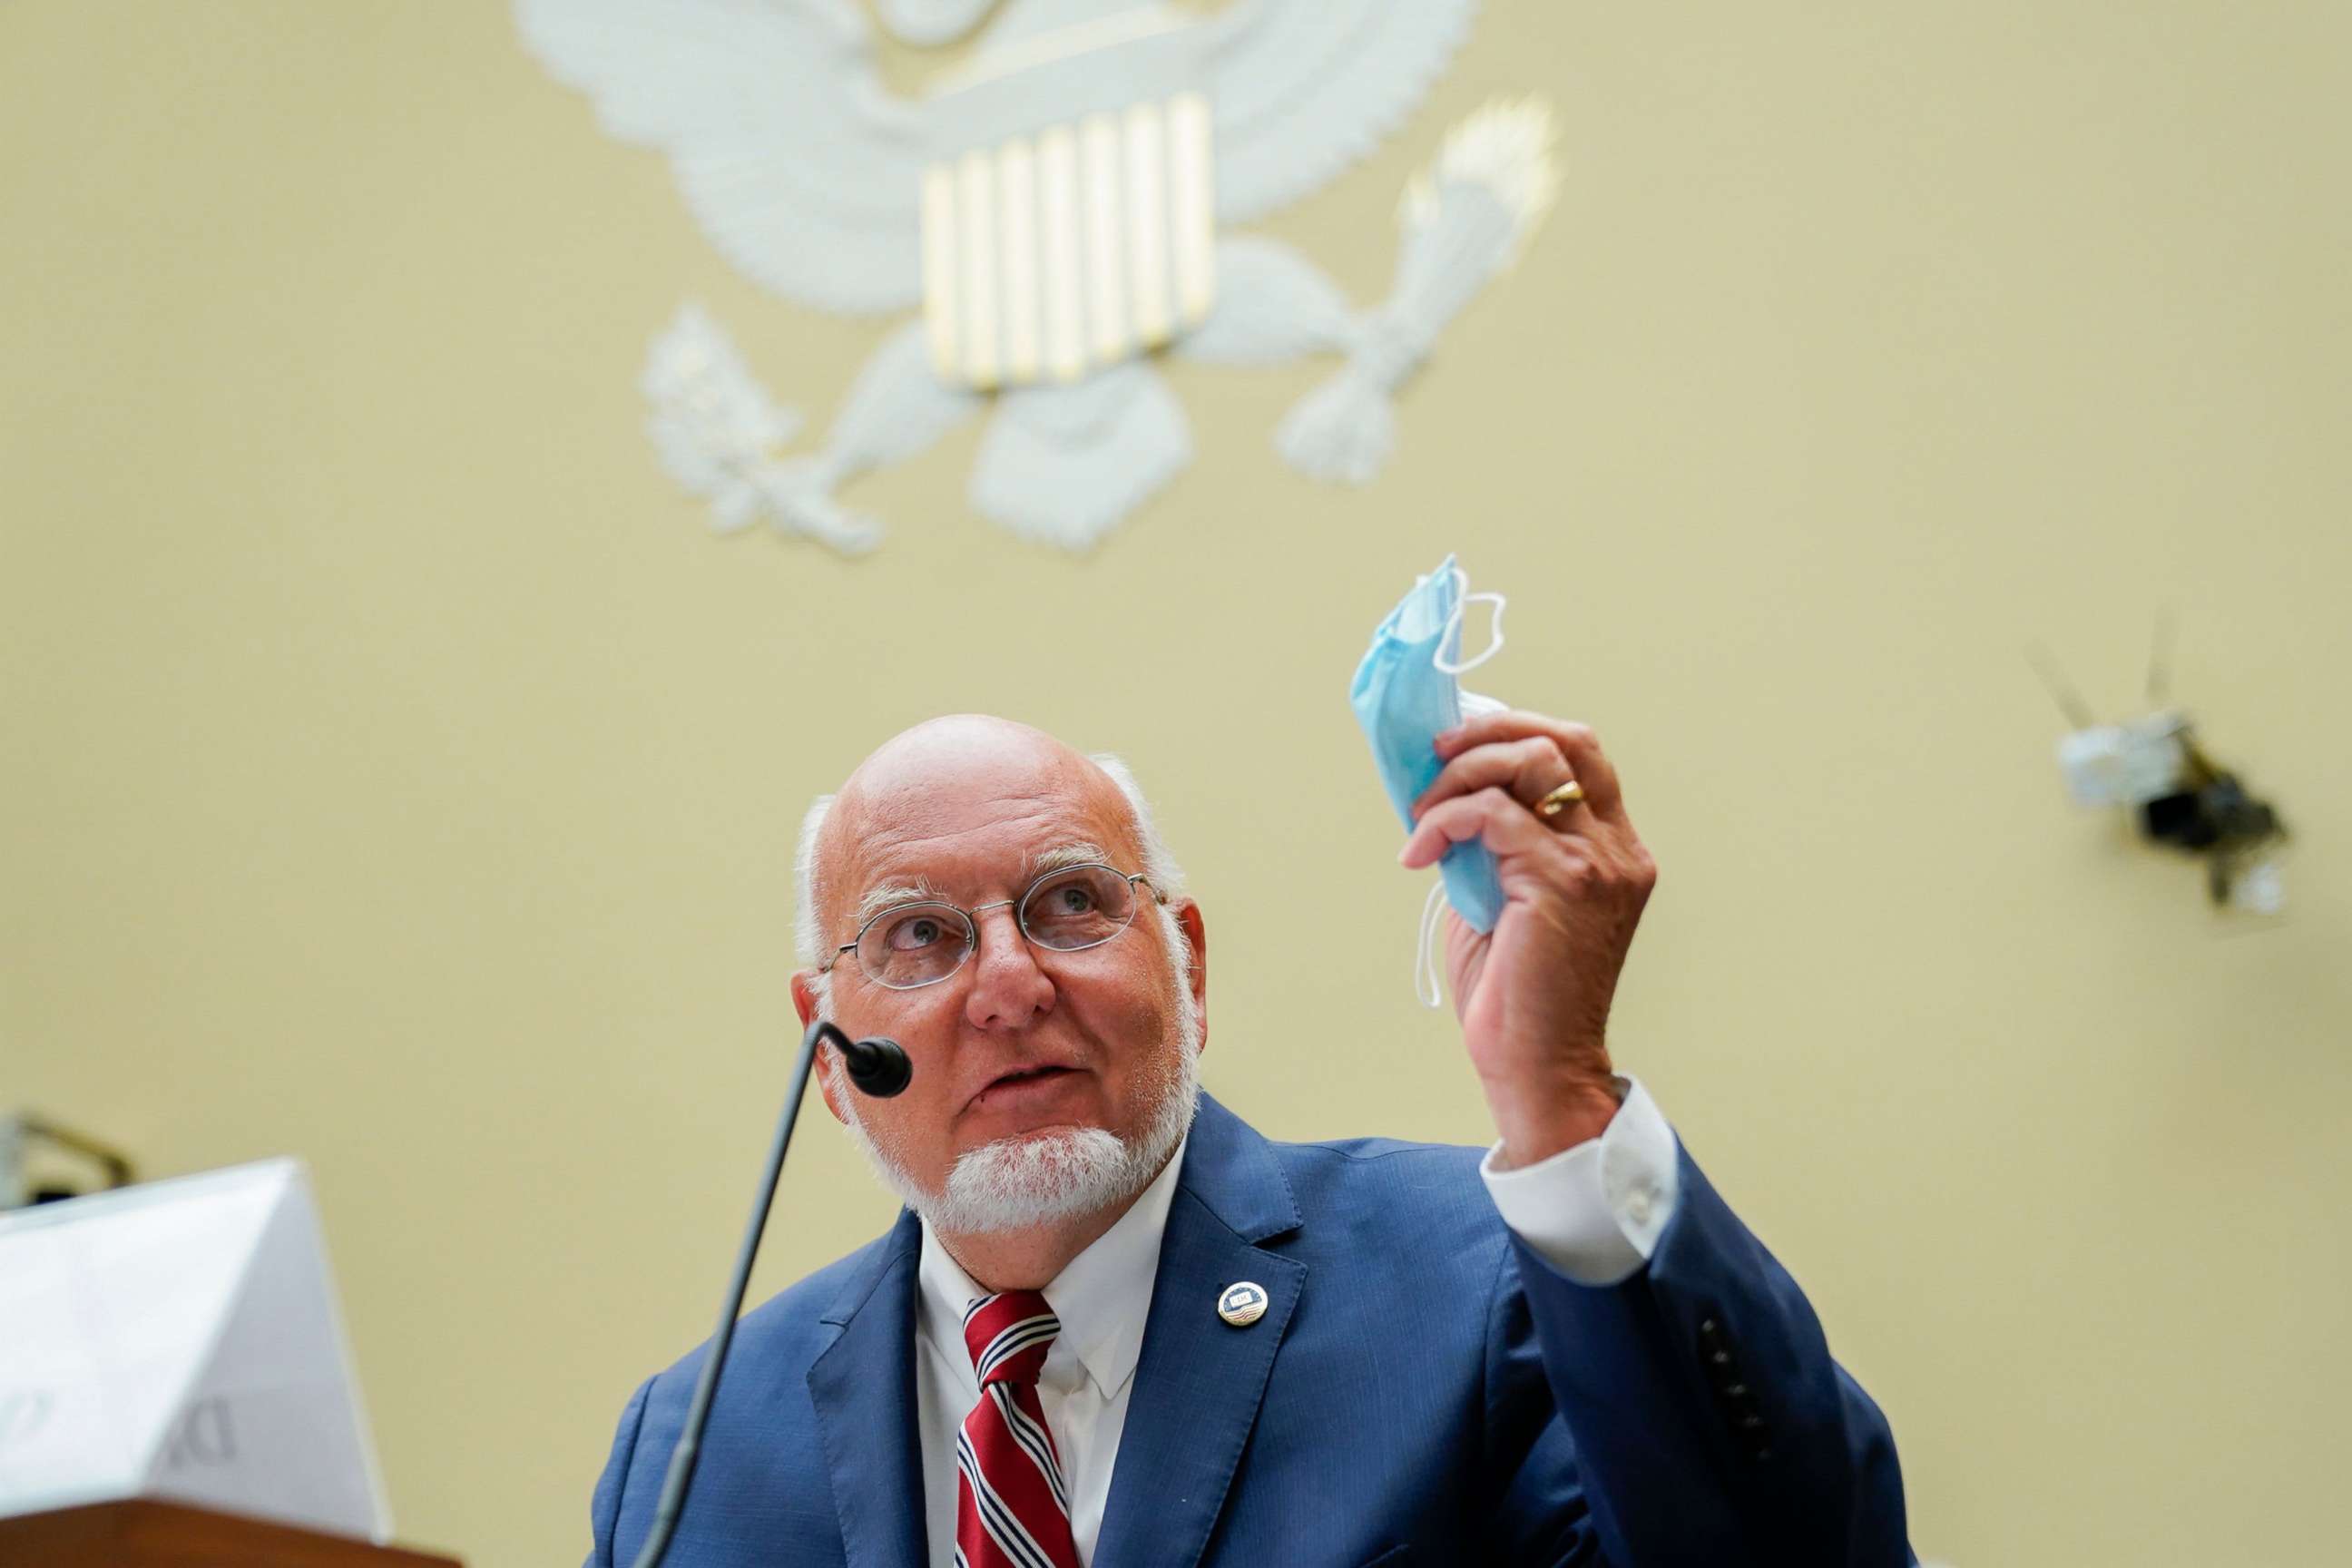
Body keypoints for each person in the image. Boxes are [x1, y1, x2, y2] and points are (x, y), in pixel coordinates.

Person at [585, 712, 1912, 1567]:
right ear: (827, 1042)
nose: (1007, 984)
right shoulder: (693, 1449)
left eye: (1070, 904)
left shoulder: (1482, 1287)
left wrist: (1560, 1095)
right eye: (918, 935)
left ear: (1190, 968)